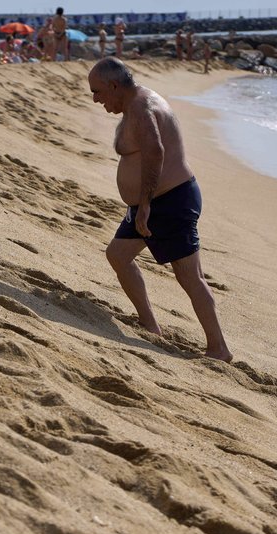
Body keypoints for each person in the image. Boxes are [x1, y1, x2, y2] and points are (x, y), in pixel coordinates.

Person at [88, 58, 231, 362]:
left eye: (97, 92)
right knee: (118, 254)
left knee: (189, 275)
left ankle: (218, 348)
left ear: (114, 85)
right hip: (154, 201)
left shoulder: (142, 107)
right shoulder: (136, 103)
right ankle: (149, 324)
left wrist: (145, 207)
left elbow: (155, 153)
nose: (95, 99)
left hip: (168, 202)